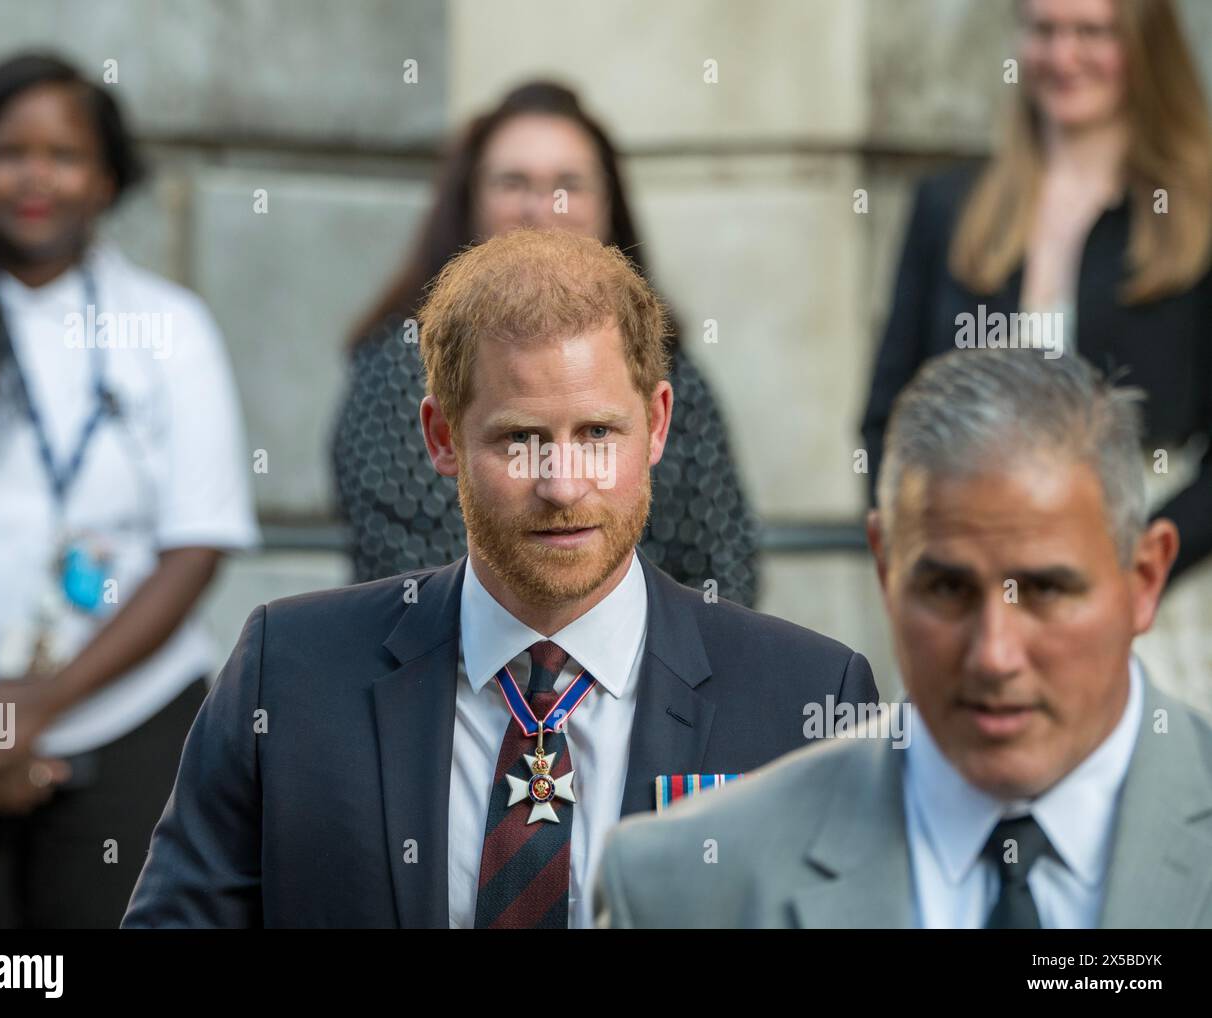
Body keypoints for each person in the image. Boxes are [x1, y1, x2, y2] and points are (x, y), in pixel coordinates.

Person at [123, 229, 877, 929]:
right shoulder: (288, 675)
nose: (562, 484)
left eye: (597, 434)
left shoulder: (807, 702)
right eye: (521, 438)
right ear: (442, 437)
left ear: (658, 424)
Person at [597, 349, 1212, 929]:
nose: (994, 654)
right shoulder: (685, 885)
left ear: (1145, 580)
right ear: (886, 568)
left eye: (1047, 591)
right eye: (947, 589)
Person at [0, 53, 258, 928]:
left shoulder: (169, 327)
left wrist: (38, 706)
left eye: (62, 155)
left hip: (127, 721)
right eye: (6, 152)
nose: (35, 177)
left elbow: (197, 543)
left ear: (106, 177)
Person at [859, 0, 1212, 717]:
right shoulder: (950, 205)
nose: (1064, 54)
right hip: (973, 570)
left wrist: (1131, 559)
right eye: (1045, 30)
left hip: (1158, 579)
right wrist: (923, 554)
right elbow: (887, 416)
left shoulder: (1198, 209)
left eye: (1093, 32)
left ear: (1144, 47)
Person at [332, 80, 759, 606]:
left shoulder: (669, 365)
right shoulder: (399, 369)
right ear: (470, 201)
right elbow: (407, 574)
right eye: (513, 183)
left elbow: (726, 563)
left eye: (569, 184)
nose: (543, 207)